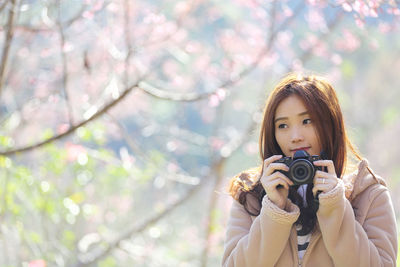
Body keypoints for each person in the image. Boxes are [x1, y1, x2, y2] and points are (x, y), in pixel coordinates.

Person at [222, 73, 397, 267]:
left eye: (307, 121)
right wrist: (273, 209)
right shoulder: (251, 198)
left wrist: (334, 205)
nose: (295, 136)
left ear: (330, 125)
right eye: (283, 125)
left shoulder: (369, 195)